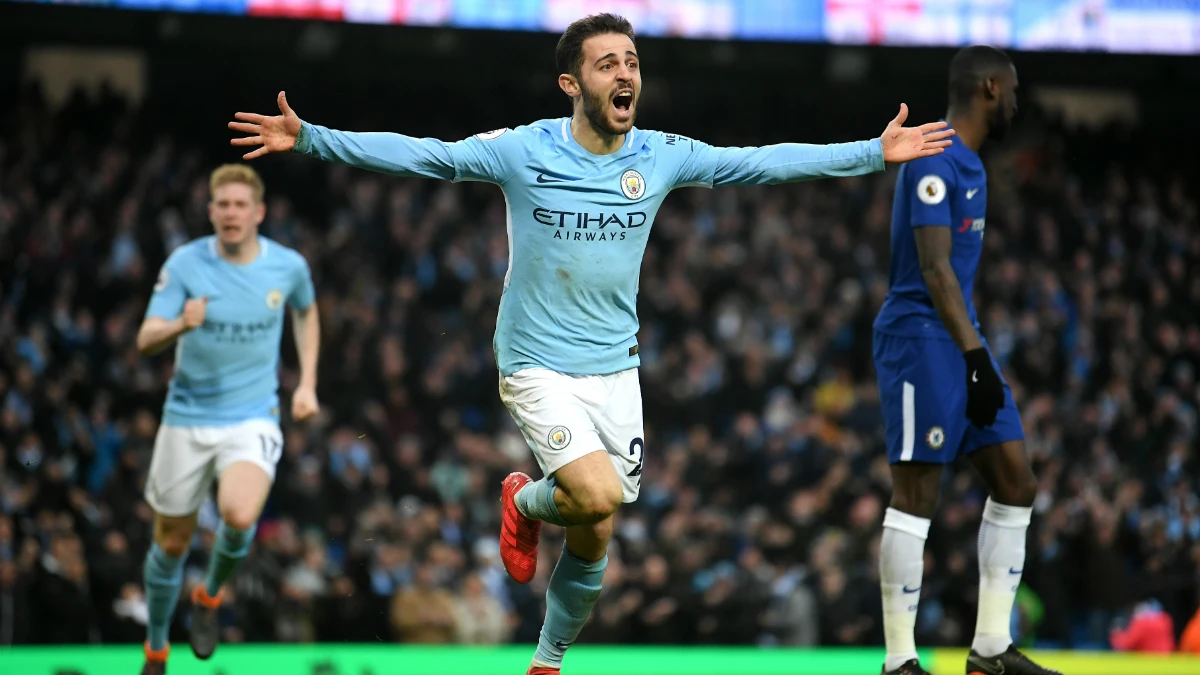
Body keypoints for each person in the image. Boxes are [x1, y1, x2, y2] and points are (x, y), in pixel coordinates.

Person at [228, 13, 952, 674]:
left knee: (599, 526)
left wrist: (871, 152)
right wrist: (312, 137)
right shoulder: (522, 150)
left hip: (615, 369)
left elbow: (758, 162)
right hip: (536, 363)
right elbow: (430, 157)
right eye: (607, 63)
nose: (626, 73)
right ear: (572, 82)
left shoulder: (660, 155)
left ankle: (547, 657)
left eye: (632, 61)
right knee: (595, 492)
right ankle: (527, 500)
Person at [871, 46, 1059, 675]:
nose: (1015, 102)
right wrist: (975, 357)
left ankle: (989, 651)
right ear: (988, 88)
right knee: (917, 491)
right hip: (920, 340)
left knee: (1016, 480)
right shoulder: (935, 159)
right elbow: (932, 268)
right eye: (1011, 91)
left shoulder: (971, 163)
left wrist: (974, 353)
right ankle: (900, 661)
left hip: (961, 339)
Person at [135, 164, 321, 674]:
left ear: (258, 212)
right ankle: (155, 647)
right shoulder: (185, 264)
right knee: (170, 543)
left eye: (241, 205)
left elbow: (306, 311)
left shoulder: (287, 267)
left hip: (252, 416)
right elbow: (146, 338)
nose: (231, 213)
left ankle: (210, 596)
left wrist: (306, 382)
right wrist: (180, 323)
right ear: (211, 211)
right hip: (187, 417)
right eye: (223, 205)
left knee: (239, 516)